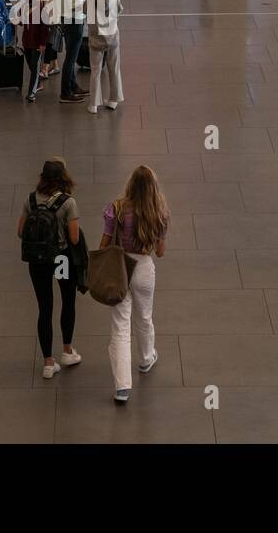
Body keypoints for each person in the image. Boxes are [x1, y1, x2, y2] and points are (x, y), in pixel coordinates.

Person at [102, 166, 170, 404]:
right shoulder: (159, 212)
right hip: (143, 268)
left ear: (130, 184)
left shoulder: (117, 208)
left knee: (120, 327)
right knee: (144, 317)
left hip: (121, 266)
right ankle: (146, 358)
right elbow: (160, 252)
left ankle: (122, 387)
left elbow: (104, 245)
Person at [19, 159, 83, 379]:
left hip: (37, 262)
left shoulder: (31, 199)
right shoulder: (68, 202)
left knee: (44, 308)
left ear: (42, 177)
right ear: (64, 178)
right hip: (61, 259)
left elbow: (20, 231)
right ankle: (67, 351)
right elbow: (74, 238)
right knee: (67, 300)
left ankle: (48, 363)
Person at [53, 0, 86, 103]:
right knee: (71, 58)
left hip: (63, 20)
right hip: (74, 22)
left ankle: (73, 86)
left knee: (70, 55)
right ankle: (65, 92)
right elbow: (76, 5)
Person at [87, 0, 123, 113]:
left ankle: (94, 104)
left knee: (95, 71)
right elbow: (119, 11)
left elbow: (85, 12)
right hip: (112, 39)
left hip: (96, 40)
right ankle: (114, 100)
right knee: (114, 69)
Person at [21, 0, 52, 103]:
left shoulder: (42, 5)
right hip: (27, 40)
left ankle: (31, 93)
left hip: (37, 41)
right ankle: (38, 83)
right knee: (31, 65)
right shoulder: (26, 2)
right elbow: (21, 20)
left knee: (34, 66)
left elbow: (44, 26)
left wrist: (42, 43)